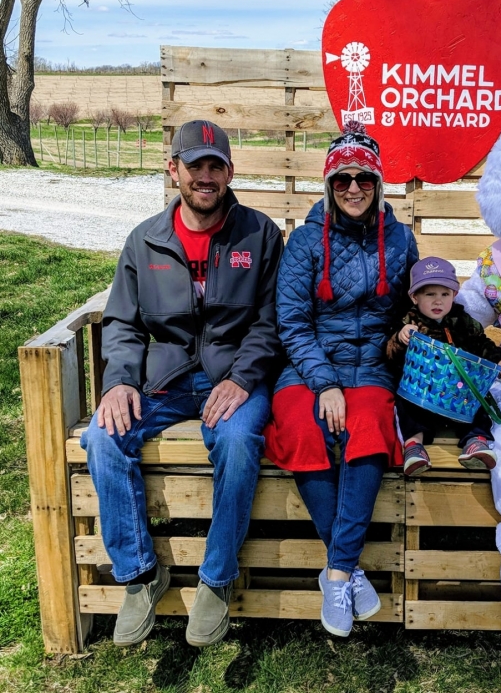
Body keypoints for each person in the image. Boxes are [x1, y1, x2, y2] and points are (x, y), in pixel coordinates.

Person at [80, 120, 283, 648]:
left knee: (239, 442)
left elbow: (271, 320)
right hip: (165, 380)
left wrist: (242, 378)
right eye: (195, 166)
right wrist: (119, 382)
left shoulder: (259, 234)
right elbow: (122, 323)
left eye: (216, 165)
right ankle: (141, 576)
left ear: (230, 172)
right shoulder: (144, 239)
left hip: (233, 378)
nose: (206, 176)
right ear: (174, 170)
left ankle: (216, 579)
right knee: (103, 436)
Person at [263, 120, 418, 638]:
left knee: (370, 427)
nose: (354, 188)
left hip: (373, 365)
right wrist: (325, 382)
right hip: (308, 367)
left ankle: (335, 571)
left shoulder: (400, 240)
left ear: (378, 184)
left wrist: (404, 337)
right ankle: (349, 568)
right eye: (343, 179)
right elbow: (292, 321)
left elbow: (408, 308)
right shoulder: (305, 242)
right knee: (301, 427)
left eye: (365, 178)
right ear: (329, 186)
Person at [386, 257, 501, 476]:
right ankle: (414, 447)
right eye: (430, 294)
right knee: (405, 403)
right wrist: (400, 339)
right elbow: (391, 355)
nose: (438, 301)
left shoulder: (461, 320)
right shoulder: (409, 322)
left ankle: (476, 442)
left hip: (457, 394)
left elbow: (481, 343)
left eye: (445, 294)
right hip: (423, 393)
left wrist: (500, 359)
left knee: (479, 400)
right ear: (415, 297)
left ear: (455, 295)